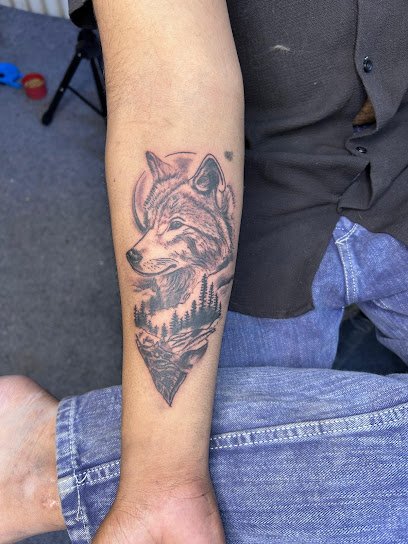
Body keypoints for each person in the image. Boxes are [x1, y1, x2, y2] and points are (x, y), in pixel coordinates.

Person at [2, 1, 408, 542]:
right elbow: (166, 85)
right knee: (233, 490)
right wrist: (163, 477)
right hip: (266, 200)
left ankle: (60, 455)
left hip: (399, 181)